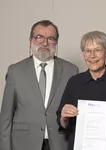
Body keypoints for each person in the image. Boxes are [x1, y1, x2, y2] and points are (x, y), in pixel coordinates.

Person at [0, 20, 79, 150]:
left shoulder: (71, 70)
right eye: (39, 37)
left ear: (56, 42)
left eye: (51, 38)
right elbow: (5, 118)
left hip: (60, 144)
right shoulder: (15, 71)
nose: (45, 43)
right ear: (30, 40)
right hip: (24, 144)